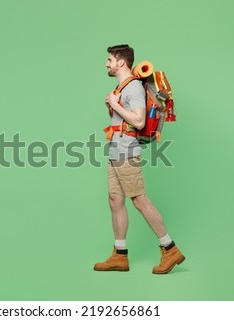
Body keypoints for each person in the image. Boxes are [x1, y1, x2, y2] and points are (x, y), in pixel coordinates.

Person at [93, 44, 185, 274]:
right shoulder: (122, 87)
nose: (107, 63)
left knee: (139, 200)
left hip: (126, 152)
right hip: (116, 150)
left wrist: (115, 104)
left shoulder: (133, 87)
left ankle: (170, 249)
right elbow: (121, 122)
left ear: (121, 62)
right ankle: (119, 255)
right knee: (115, 200)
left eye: (110, 60)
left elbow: (140, 121)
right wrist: (111, 108)